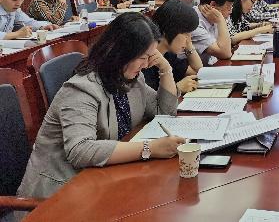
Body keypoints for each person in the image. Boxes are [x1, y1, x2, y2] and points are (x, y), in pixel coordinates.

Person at [16, 13, 185, 199]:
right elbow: (80, 150)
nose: (146, 65)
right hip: (59, 192)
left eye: (150, 57)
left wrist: (166, 69)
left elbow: (165, 112)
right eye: (143, 57)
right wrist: (149, 148)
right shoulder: (82, 88)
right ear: (121, 53)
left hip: (101, 178)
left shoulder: (131, 78)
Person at [146, 0, 202, 94]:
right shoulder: (144, 60)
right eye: (185, 33)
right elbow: (147, 101)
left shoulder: (168, 55)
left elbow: (197, 72)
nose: (188, 38)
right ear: (168, 31)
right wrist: (177, 88)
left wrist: (189, 45)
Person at [190, 0, 236, 65]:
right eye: (228, 6)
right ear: (213, 5)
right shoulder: (193, 22)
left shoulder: (215, 16)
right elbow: (225, 53)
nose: (231, 11)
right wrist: (221, 20)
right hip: (197, 71)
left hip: (213, 65)